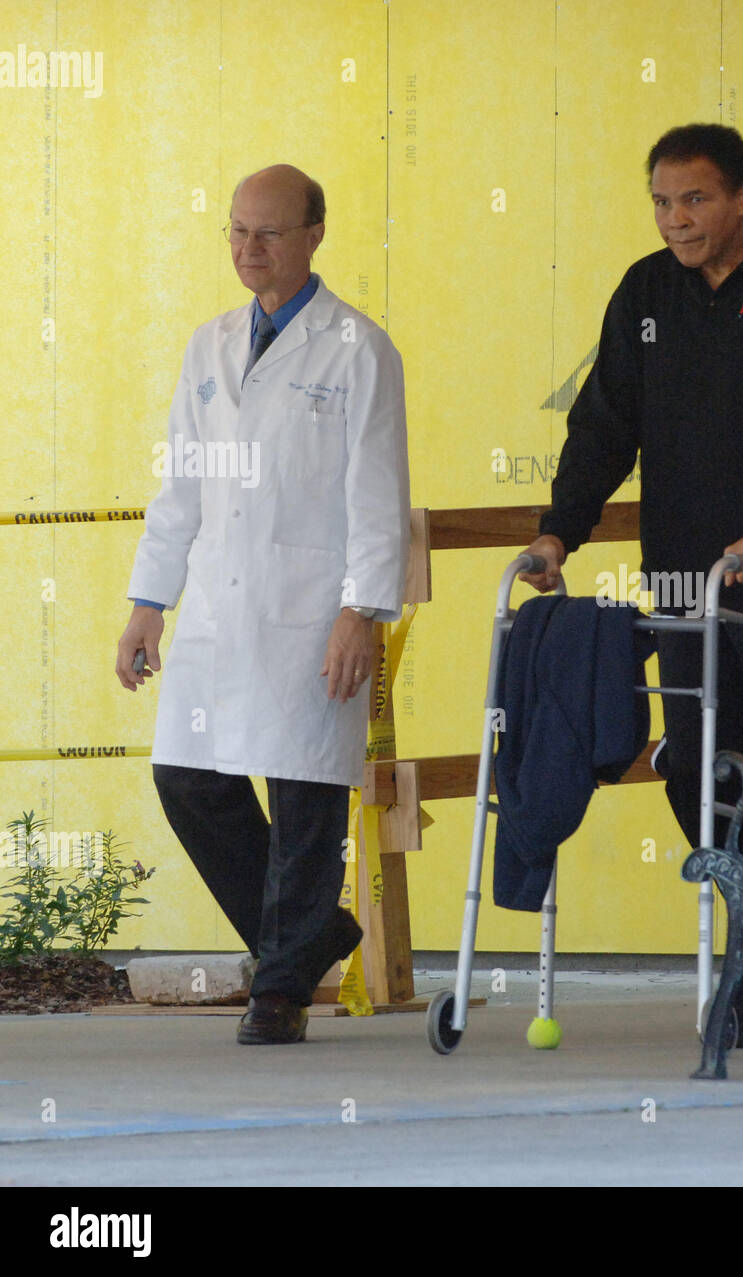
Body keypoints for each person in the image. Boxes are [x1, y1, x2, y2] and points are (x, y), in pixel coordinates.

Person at [521, 124, 743, 1046]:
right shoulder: (644, 291)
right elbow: (602, 425)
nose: (678, 220)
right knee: (692, 766)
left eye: (696, 200)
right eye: (663, 203)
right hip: (685, 587)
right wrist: (561, 530)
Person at [115, 165, 411, 1045]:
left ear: (315, 234)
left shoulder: (359, 349)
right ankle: (307, 935)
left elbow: (378, 491)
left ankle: (279, 986)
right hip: (216, 604)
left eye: (269, 233)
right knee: (186, 775)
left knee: (306, 793)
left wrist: (362, 607)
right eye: (238, 232)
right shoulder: (207, 346)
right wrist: (147, 602)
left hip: (313, 605)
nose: (249, 249)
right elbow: (180, 490)